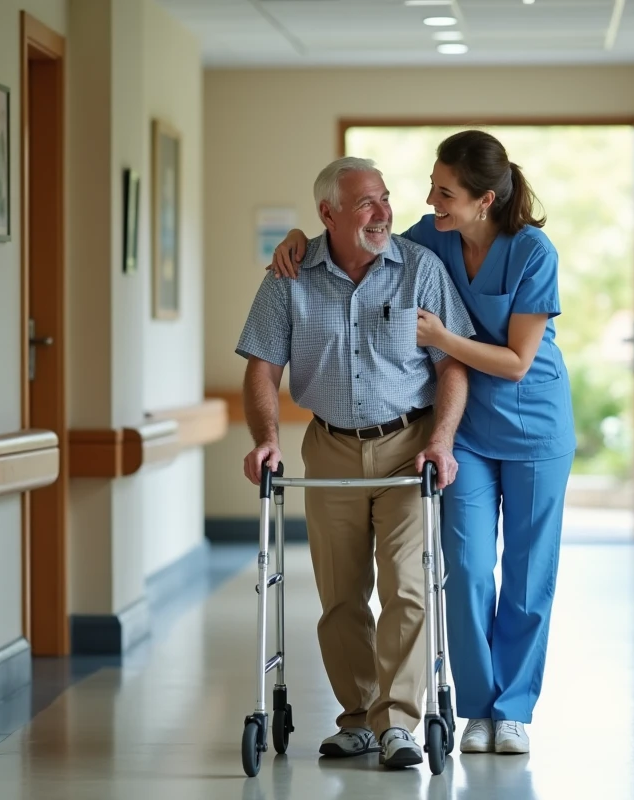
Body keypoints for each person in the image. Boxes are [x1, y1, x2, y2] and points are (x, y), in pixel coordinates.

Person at [269, 131, 576, 756]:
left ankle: (513, 709)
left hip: (532, 424)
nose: (429, 199)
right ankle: (477, 707)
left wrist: (441, 337)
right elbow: (361, 240)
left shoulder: (532, 251)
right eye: (432, 187)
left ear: (484, 200)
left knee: (526, 572)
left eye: (444, 191)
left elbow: (516, 363)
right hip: (458, 430)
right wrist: (299, 242)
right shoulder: (433, 236)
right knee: (460, 572)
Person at [237, 156, 476, 769]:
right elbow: (262, 367)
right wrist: (266, 438)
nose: (383, 212)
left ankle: (398, 723)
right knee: (340, 594)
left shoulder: (419, 267)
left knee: (408, 586)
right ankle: (360, 718)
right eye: (366, 202)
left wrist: (442, 441)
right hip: (330, 444)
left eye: (385, 198)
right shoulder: (288, 276)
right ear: (327, 214)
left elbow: (453, 365)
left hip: (408, 445)